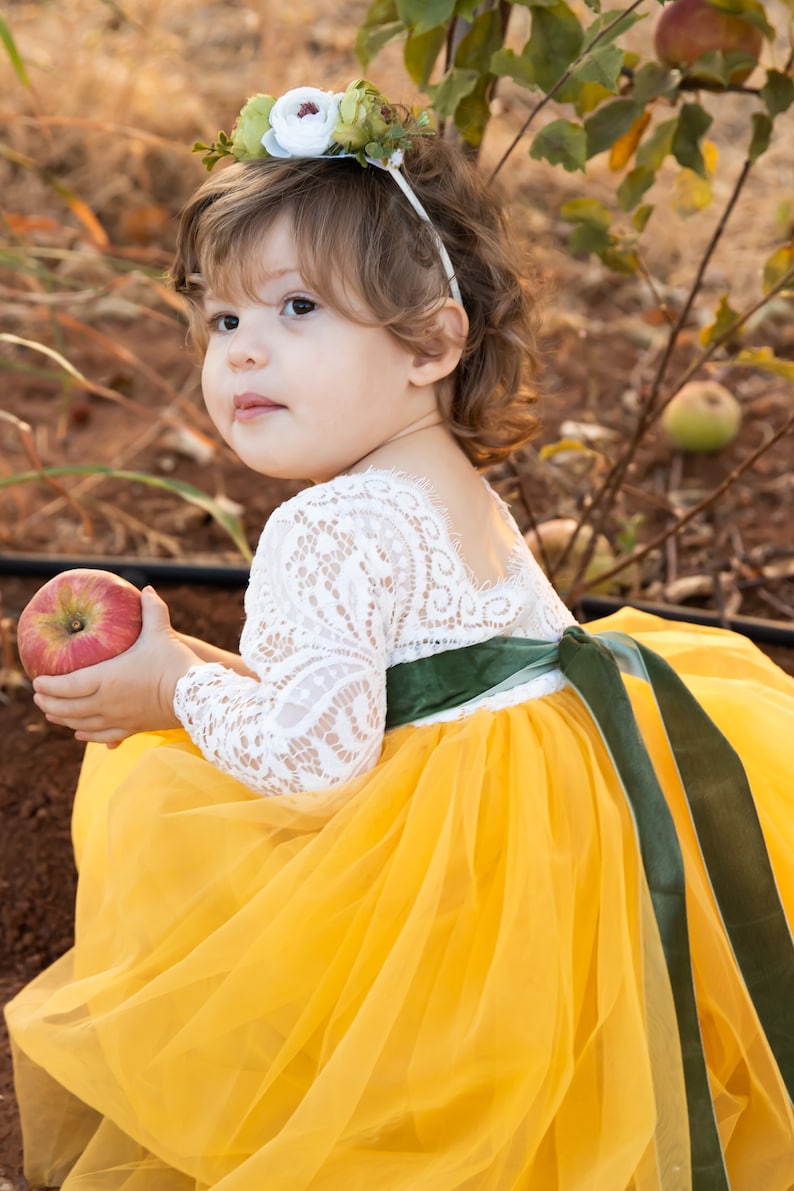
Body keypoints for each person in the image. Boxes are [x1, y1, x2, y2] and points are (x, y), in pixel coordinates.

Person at [5, 78, 794, 1191]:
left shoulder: (322, 528)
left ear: (429, 340)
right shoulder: (449, 484)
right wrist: (204, 663)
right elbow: (399, 690)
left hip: (442, 886)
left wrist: (173, 691)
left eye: (295, 311)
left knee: (387, 1100)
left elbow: (316, 758)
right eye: (222, 318)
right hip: (561, 851)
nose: (239, 353)